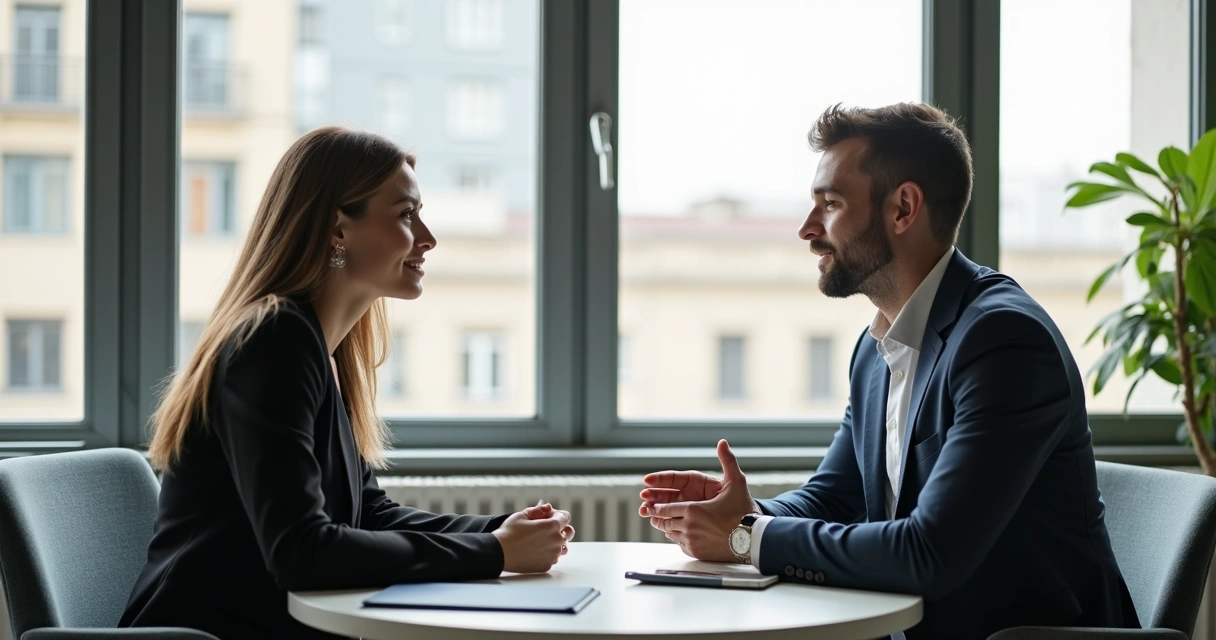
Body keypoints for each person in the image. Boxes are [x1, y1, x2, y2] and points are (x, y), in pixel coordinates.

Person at [638, 103, 1139, 639]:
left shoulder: (1004, 343)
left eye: (830, 203)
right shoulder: (876, 344)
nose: (808, 229)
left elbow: (929, 553)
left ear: (903, 208)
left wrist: (744, 537)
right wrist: (744, 509)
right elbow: (835, 494)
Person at [120, 127, 575, 639]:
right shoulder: (272, 340)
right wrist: (494, 552)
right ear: (338, 228)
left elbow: (369, 513)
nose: (427, 237)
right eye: (406, 214)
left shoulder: (321, 347)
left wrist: (501, 531)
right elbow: (302, 552)